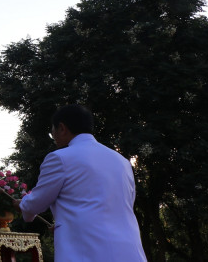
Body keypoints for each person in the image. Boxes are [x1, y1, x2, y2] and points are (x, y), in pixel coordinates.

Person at [18, 104, 147, 262]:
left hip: (87, 251)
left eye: (53, 132)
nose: (54, 138)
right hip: (130, 251)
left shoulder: (60, 158)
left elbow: (35, 204)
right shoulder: (122, 162)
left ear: (62, 128)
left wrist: (22, 204)